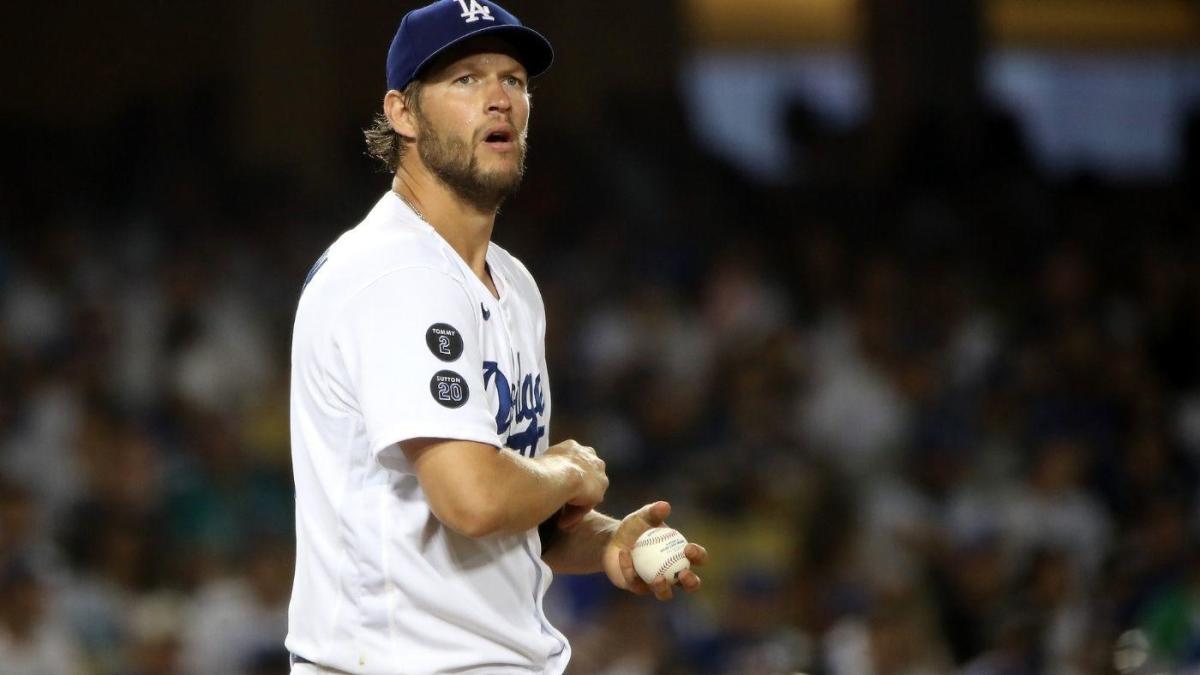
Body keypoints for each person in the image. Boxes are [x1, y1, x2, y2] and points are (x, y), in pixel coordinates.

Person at [285, 2, 708, 673]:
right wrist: (569, 470)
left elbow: (511, 506)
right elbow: (475, 498)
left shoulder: (510, 282)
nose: (498, 98)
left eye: (514, 79)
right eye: (465, 79)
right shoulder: (394, 273)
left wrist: (602, 541)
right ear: (401, 113)